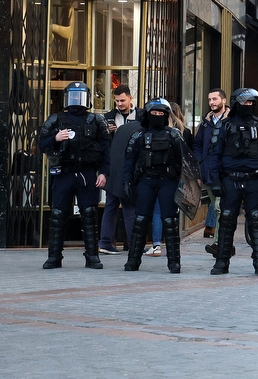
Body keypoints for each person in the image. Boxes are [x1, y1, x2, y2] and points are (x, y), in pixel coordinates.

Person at [38, 82, 112, 270]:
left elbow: (106, 150)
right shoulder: (56, 119)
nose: (76, 101)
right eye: (72, 97)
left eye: (80, 97)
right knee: (58, 214)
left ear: (87, 99)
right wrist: (55, 139)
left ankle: (92, 256)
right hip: (64, 173)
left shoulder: (96, 121)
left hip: (87, 173)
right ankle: (54, 256)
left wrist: (104, 172)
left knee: (89, 213)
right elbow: (41, 145)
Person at [208, 88, 258, 276]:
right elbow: (214, 155)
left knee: (256, 219)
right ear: (236, 103)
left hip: (254, 180)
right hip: (230, 179)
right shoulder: (225, 127)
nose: (248, 106)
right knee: (227, 218)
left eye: (251, 103)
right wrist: (215, 179)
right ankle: (221, 262)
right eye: (244, 102)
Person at [121, 99, 187, 273]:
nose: (157, 116)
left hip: (168, 181)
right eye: (154, 113)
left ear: (166, 116)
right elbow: (129, 161)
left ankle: (174, 263)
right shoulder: (139, 136)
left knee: (169, 221)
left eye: (161, 114)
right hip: (146, 180)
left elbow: (185, 162)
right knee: (141, 220)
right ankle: (133, 261)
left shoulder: (173, 135)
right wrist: (126, 182)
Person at [98, 85, 142, 254]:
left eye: (123, 100)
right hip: (113, 165)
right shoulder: (108, 117)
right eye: (117, 101)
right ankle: (106, 242)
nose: (120, 104)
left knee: (130, 206)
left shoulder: (141, 115)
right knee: (112, 205)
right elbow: (102, 143)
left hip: (132, 166)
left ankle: (131, 243)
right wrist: (108, 133)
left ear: (131, 98)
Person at [194, 89, 229, 245]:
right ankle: (221, 240)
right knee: (216, 208)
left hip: (224, 173)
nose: (212, 102)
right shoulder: (206, 122)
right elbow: (197, 144)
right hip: (208, 172)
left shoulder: (231, 120)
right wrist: (200, 163)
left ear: (224, 100)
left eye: (215, 99)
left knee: (220, 207)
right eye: (209, 100)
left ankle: (219, 242)